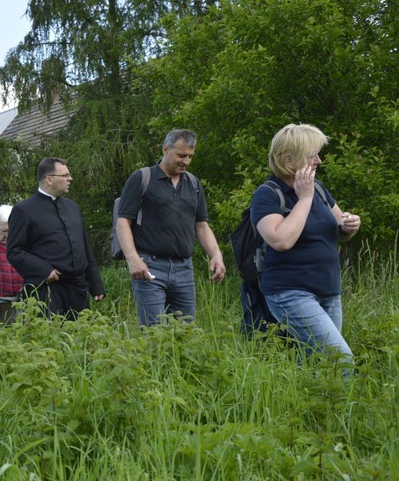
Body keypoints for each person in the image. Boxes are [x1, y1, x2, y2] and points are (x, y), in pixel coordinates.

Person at [251, 123, 360, 367]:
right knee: (340, 361)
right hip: (290, 292)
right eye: (312, 155)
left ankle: (318, 405)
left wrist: (348, 226)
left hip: (328, 291)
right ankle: (339, 405)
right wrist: (305, 198)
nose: (319, 160)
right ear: (289, 161)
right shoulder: (268, 194)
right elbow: (281, 240)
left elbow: (339, 231)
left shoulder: (319, 189)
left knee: (321, 365)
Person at [115, 129, 226, 327]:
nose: (186, 161)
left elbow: (201, 226)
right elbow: (123, 222)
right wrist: (133, 260)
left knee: (185, 334)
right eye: (181, 155)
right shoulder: (142, 178)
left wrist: (216, 255)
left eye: (190, 156)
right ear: (165, 149)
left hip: (184, 268)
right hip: (149, 267)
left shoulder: (193, 184)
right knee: (154, 334)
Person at [7, 157, 105, 319]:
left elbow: (84, 248)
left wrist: (95, 284)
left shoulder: (72, 207)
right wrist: (44, 271)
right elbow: (14, 251)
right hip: (47, 289)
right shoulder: (23, 210)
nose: (70, 179)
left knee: (81, 339)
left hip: (77, 289)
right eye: (65, 175)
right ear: (49, 179)